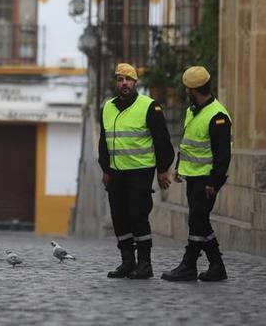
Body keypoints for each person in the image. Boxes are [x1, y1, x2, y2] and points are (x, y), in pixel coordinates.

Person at [99, 63, 174, 279]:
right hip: (116, 173)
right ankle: (127, 262)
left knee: (137, 216)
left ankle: (144, 264)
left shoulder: (149, 107)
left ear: (135, 83)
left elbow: (163, 141)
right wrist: (105, 169)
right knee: (119, 217)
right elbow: (104, 142)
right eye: (120, 79)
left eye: (128, 80)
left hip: (140, 172)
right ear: (116, 82)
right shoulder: (108, 107)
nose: (124, 83)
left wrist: (162, 170)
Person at [162, 66, 231, 282]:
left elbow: (223, 154)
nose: (185, 92)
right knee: (200, 222)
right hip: (193, 176)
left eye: (186, 89)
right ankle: (216, 265)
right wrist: (180, 167)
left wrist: (215, 182)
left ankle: (189, 264)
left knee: (197, 220)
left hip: (207, 180)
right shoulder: (193, 111)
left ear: (193, 90)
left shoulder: (217, 115)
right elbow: (188, 143)